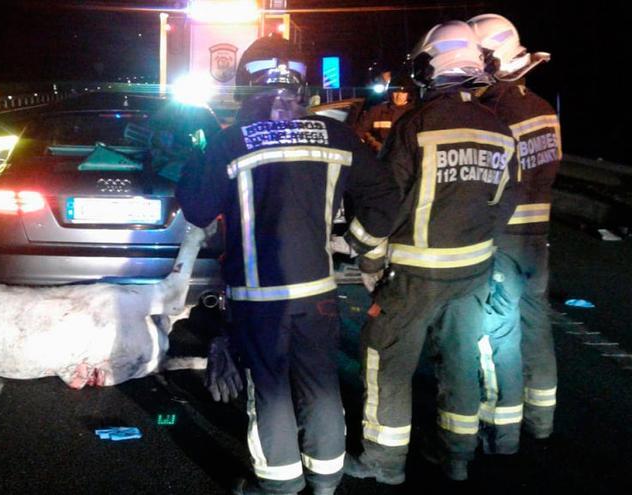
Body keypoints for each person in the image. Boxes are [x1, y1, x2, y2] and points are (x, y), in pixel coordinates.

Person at [177, 34, 399, 495]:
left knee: (270, 388)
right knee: (321, 384)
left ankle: (280, 486)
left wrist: (192, 161)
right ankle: (326, 480)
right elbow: (384, 197)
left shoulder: (230, 141)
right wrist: (354, 244)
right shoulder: (336, 136)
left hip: (258, 297)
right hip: (318, 291)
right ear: (302, 85)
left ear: (247, 83)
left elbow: (197, 210)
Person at [342, 21, 519, 484]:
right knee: (460, 363)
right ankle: (457, 455)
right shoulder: (500, 129)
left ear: (430, 67)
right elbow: (506, 202)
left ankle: (384, 462)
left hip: (413, 277)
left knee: (386, 360)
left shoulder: (417, 125)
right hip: (473, 273)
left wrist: (366, 256)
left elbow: (384, 202)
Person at [468, 13, 561, 453]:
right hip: (536, 238)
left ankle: (500, 431)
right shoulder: (544, 109)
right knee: (537, 327)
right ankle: (541, 421)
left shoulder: (494, 112)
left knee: (495, 336)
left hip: (502, 237)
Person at [355, 76, 414, 153]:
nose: (399, 96)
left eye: (403, 93)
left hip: (404, 155)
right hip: (377, 154)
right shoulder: (377, 110)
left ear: (409, 94)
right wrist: (373, 143)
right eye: (396, 92)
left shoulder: (414, 112)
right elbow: (359, 132)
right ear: (390, 93)